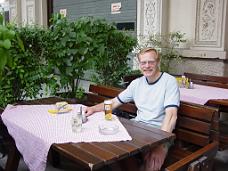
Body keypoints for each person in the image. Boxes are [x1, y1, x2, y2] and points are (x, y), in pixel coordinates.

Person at [85, 47, 180, 171]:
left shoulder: (169, 81)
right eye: (143, 62)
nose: (147, 66)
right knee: (109, 149)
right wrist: (93, 108)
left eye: (151, 62)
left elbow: (172, 115)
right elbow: (113, 103)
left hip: (159, 133)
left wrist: (160, 146)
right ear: (139, 64)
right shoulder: (136, 84)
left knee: (151, 164)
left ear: (157, 62)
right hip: (138, 129)